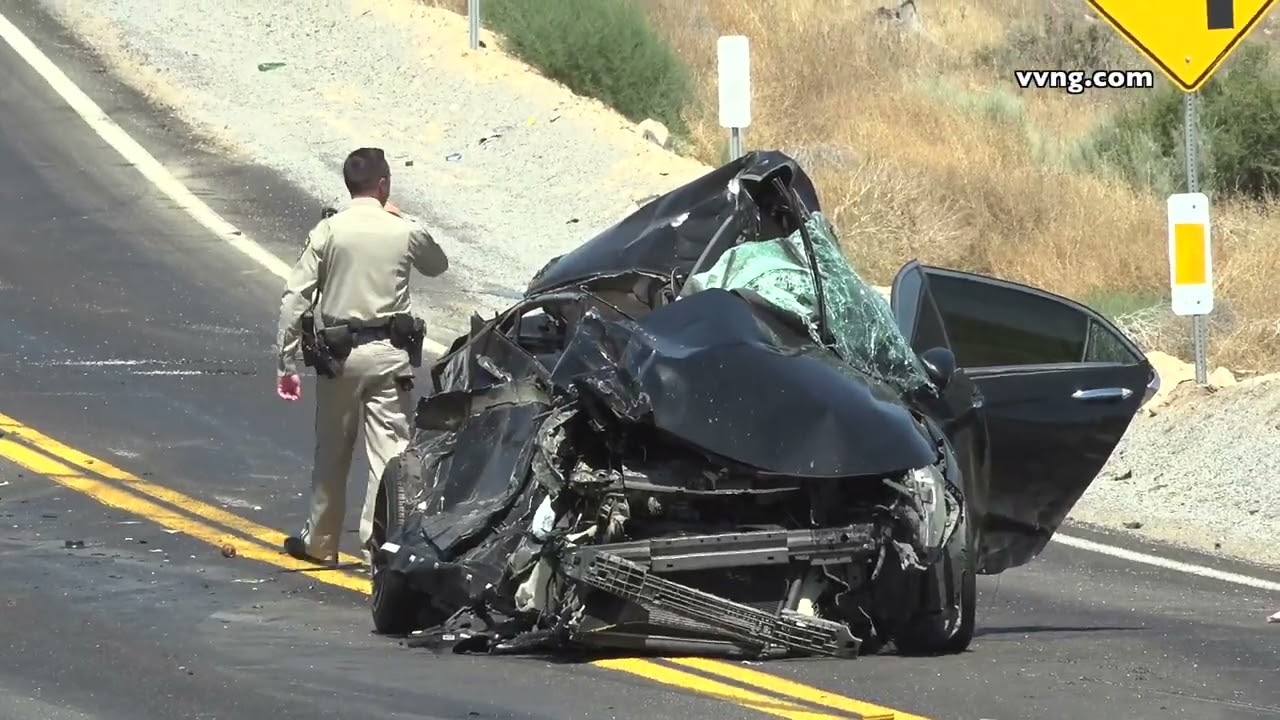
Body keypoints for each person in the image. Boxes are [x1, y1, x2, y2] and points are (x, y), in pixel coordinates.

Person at [274, 146, 448, 569]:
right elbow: (438, 264)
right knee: (390, 455)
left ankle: (320, 541)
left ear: (349, 185)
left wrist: (287, 361)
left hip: (338, 358)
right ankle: (379, 544)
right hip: (389, 357)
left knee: (332, 451)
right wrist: (404, 218)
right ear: (384, 184)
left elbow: (295, 298)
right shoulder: (402, 229)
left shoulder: (329, 231)